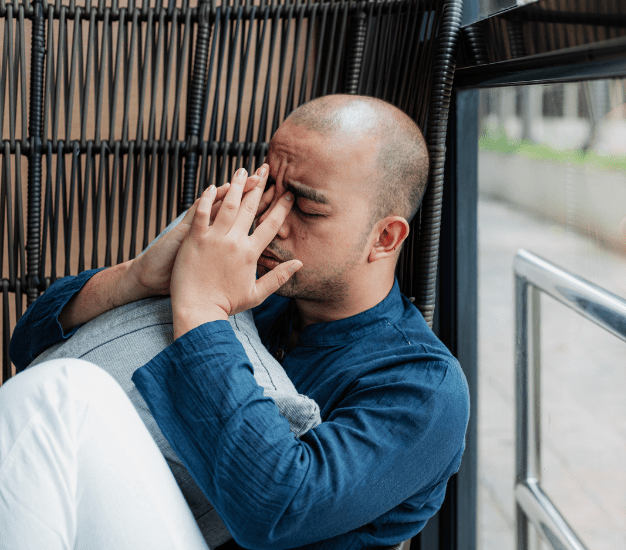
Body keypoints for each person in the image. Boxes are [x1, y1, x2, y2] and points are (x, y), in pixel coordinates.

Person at [2, 95, 469, 550]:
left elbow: (273, 510)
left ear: (385, 237)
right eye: (270, 188)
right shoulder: (253, 288)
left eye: (305, 207)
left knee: (66, 393)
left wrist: (203, 312)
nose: (273, 218)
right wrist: (135, 278)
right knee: (50, 404)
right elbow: (26, 348)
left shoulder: (424, 387)